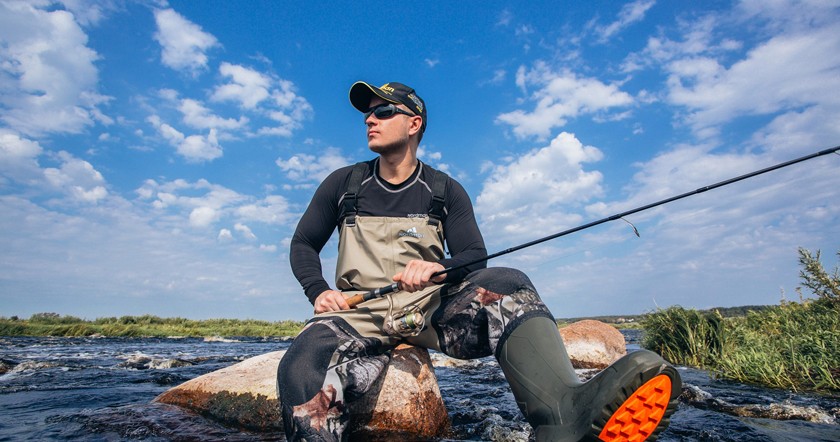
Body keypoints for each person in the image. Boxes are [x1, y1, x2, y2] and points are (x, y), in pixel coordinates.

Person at [278, 81, 681, 441]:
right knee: (298, 368)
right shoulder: (344, 184)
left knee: (508, 282)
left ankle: (563, 415)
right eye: (368, 113)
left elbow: (475, 256)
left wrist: (439, 268)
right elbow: (303, 244)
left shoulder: (444, 190)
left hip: (428, 311)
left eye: (383, 111)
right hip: (357, 314)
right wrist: (319, 291)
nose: (370, 119)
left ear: (414, 124)